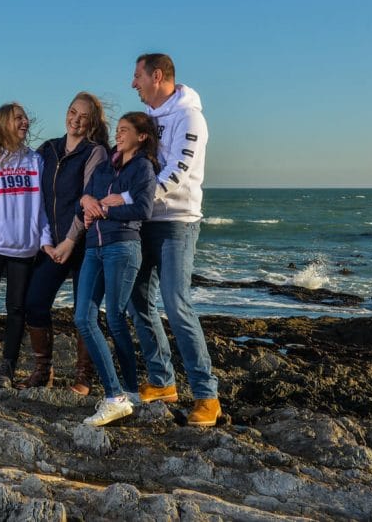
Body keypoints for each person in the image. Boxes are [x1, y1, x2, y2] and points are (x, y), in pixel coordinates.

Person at [124, 52, 222, 427]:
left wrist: (132, 199)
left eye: (137, 76)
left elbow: (178, 171)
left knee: (176, 304)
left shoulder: (190, 117)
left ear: (157, 76)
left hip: (177, 222)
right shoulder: (149, 120)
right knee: (136, 300)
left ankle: (206, 395)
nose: (133, 83)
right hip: (145, 221)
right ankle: (163, 381)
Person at [18, 92, 109, 393]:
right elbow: (23, 170)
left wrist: (71, 240)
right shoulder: (48, 150)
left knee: (84, 313)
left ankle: (84, 376)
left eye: (83, 116)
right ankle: (44, 371)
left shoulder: (95, 153)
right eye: (72, 112)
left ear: (92, 122)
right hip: (53, 246)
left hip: (86, 245)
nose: (76, 120)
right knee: (34, 302)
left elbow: (88, 198)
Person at [73, 112, 159, 426]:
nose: (119, 135)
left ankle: (121, 395)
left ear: (142, 136)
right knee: (83, 317)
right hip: (93, 249)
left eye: (125, 131)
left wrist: (107, 208)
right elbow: (85, 199)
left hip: (123, 246)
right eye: (118, 130)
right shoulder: (104, 166)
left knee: (114, 317)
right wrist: (86, 201)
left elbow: (143, 209)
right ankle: (123, 394)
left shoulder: (143, 168)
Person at [0, 102, 51, 391]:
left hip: (25, 250)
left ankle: (7, 370)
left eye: (25, 117)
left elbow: (42, 209)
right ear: (4, 123)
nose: (25, 121)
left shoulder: (36, 162)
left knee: (16, 310)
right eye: (18, 118)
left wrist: (43, 238)